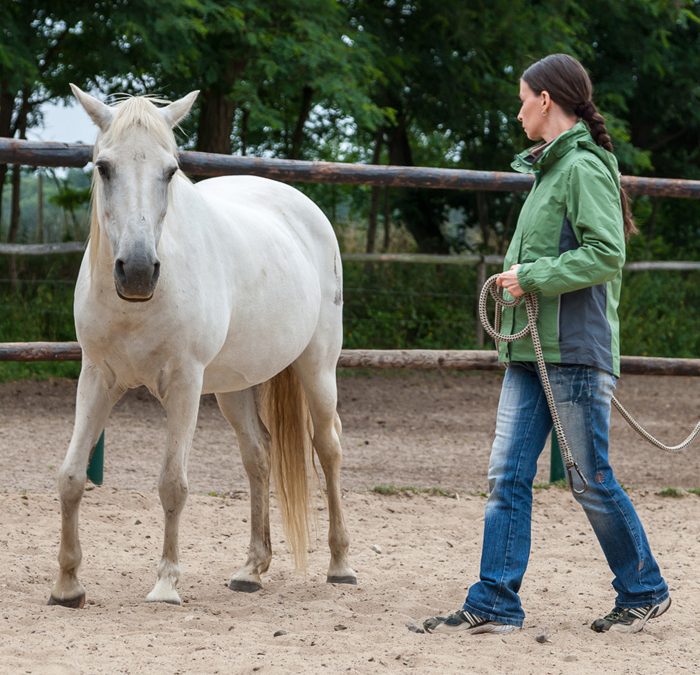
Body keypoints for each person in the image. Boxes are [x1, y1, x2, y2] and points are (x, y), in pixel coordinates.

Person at [423, 54, 670, 635]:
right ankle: (494, 602)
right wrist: (523, 279)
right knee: (506, 475)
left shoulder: (582, 167)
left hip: (574, 350)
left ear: (545, 100)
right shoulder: (551, 170)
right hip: (532, 351)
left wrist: (529, 277)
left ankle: (644, 588)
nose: (517, 111)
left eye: (522, 98)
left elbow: (606, 254)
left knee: (588, 478)